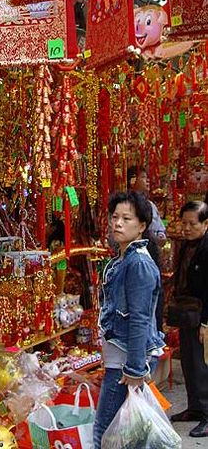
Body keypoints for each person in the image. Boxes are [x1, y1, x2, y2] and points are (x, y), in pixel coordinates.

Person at [93, 191, 165, 449]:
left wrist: (135, 369)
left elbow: (139, 319)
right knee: (122, 431)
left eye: (126, 218)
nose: (118, 224)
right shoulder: (124, 259)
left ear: (142, 225)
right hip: (121, 356)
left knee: (106, 430)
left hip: (127, 361)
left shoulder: (138, 264)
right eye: (114, 217)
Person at [170, 200, 208, 438]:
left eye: (192, 224)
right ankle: (195, 408)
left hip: (202, 317)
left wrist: (206, 322)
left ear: (206, 224)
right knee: (189, 364)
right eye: (183, 223)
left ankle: (206, 413)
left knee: (203, 366)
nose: (186, 228)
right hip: (188, 315)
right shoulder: (187, 246)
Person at [127, 165, 166, 243]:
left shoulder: (151, 205)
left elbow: (160, 228)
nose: (147, 180)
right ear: (132, 181)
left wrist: (161, 236)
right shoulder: (126, 204)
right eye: (143, 177)